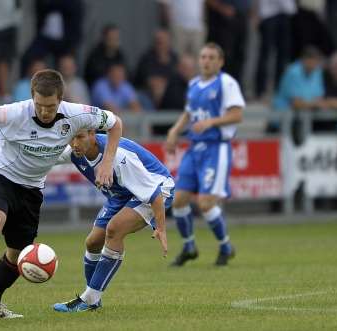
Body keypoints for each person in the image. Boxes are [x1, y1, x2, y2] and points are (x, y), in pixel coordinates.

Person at [0, 69, 122, 318]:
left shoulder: (78, 114)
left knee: (18, 253)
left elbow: (115, 123)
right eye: (39, 105)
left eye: (50, 106)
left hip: (31, 188)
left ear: (61, 100)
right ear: (32, 97)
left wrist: (107, 162)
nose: (44, 111)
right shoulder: (13, 113)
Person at [53, 129, 174, 312]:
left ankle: (89, 299)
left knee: (114, 229)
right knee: (93, 242)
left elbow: (154, 194)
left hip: (158, 187)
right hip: (121, 194)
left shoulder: (118, 157)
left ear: (92, 134)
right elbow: (45, 158)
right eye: (71, 138)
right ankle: (92, 299)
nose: (75, 143)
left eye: (80, 137)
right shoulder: (74, 152)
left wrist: (161, 228)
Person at [165, 43, 245, 267]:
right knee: (178, 200)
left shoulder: (226, 83)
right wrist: (174, 131)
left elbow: (237, 115)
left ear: (220, 62)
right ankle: (189, 246)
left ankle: (225, 245)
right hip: (194, 147)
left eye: (211, 57)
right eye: (203, 57)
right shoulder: (194, 84)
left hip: (216, 147)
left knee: (206, 202)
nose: (206, 61)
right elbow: (189, 113)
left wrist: (212, 122)